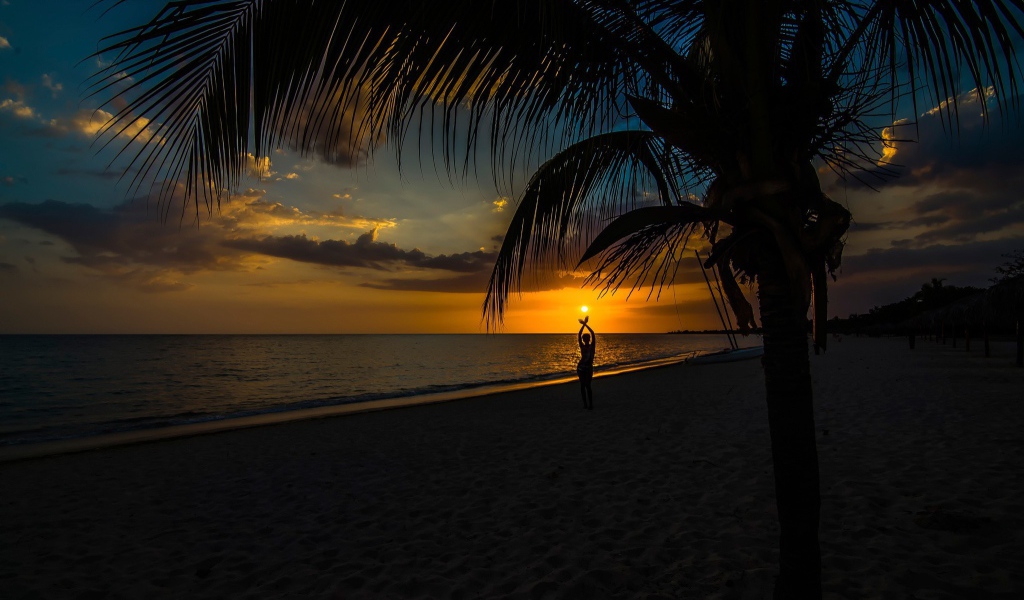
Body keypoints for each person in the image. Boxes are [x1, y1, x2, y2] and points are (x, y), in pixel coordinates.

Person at [576, 316, 596, 410]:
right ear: (584, 340)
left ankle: (590, 404)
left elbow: (593, 333)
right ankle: (585, 404)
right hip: (581, 368)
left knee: (588, 385)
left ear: (589, 339)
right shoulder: (582, 346)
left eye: (587, 338)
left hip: (588, 368)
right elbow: (579, 335)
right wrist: (583, 325)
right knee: (582, 386)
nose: (586, 339)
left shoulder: (592, 346)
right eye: (585, 338)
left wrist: (585, 324)